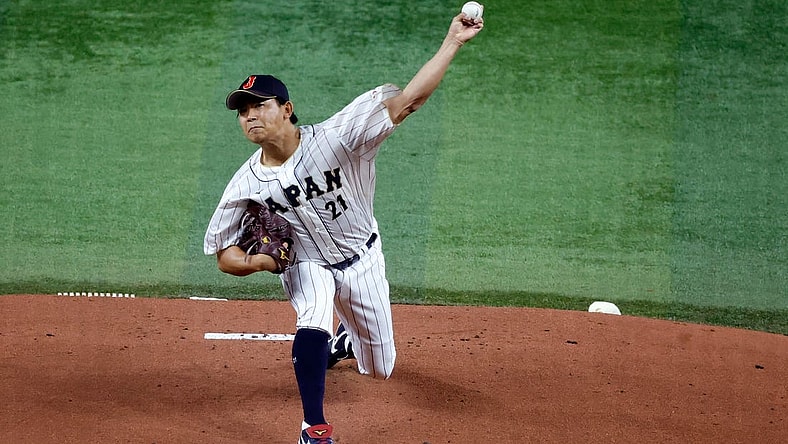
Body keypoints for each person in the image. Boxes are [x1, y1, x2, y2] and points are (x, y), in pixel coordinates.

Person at [203, 11, 484, 444]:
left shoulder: (339, 138)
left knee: (381, 368)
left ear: (287, 109)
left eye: (259, 105)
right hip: (306, 262)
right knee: (312, 315)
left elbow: (408, 100)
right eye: (242, 111)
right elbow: (224, 255)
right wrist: (258, 262)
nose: (249, 116)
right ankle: (313, 427)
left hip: (363, 259)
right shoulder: (244, 185)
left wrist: (453, 42)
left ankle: (346, 343)